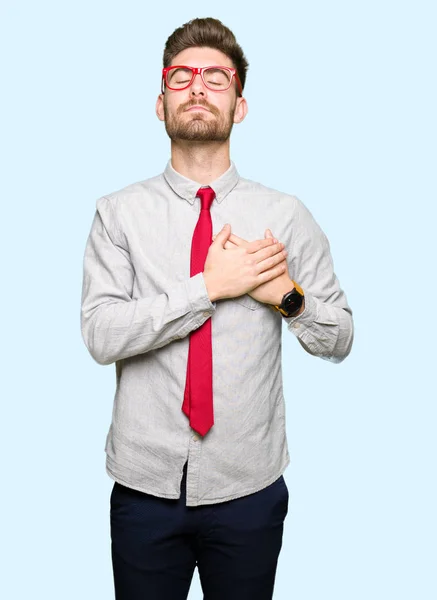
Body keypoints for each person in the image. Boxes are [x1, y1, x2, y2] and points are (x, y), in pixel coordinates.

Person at [80, 16, 354, 600]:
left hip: (249, 489)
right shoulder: (117, 214)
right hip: (143, 491)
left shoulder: (286, 215)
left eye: (216, 77)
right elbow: (101, 334)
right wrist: (208, 287)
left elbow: (340, 338)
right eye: (181, 77)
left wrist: (287, 297)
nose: (198, 87)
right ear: (160, 103)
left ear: (241, 104)